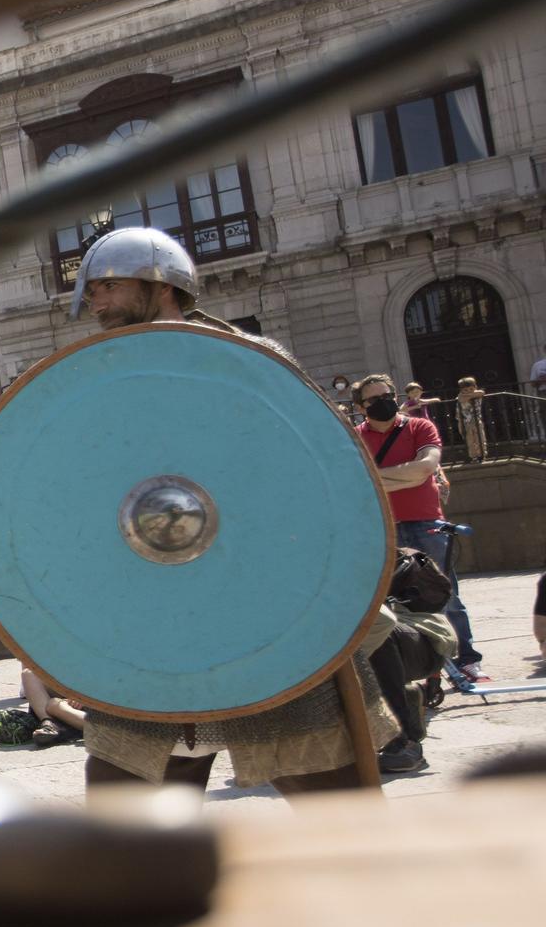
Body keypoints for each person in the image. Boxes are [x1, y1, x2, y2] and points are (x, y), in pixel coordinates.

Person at [71, 228, 394, 796]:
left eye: (109, 285)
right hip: (150, 637)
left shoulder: (249, 365)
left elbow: (317, 482)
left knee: (341, 829)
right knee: (128, 855)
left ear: (162, 285)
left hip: (263, 620)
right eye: (92, 290)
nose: (96, 302)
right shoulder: (100, 380)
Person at [356, 372, 488, 684]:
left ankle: (468, 660)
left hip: (426, 525)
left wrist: (377, 478)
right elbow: (354, 480)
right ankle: (426, 669)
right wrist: (405, 475)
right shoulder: (355, 436)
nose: (382, 403)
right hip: (383, 529)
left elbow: (426, 468)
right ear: (361, 406)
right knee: (391, 604)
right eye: (373, 399)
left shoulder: (419, 426)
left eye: (386, 395)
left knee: (445, 595)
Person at [20, 669, 86, 748]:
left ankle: (73, 728)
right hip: (69, 690)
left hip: (96, 701)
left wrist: (85, 695)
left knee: (54, 705)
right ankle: (50, 725)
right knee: (29, 673)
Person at [455, 376, 489, 463]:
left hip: (476, 420)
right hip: (465, 421)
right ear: (461, 390)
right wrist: (470, 395)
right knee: (470, 440)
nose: (469, 391)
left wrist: (469, 395)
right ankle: (473, 457)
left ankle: (482, 455)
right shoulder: (461, 396)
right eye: (465, 390)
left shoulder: (477, 394)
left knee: (480, 437)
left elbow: (482, 392)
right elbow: (461, 399)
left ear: (475, 387)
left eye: (471, 389)